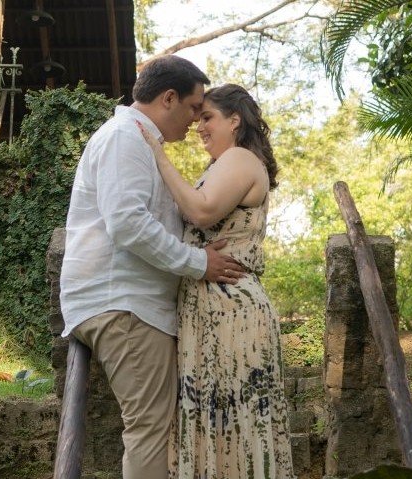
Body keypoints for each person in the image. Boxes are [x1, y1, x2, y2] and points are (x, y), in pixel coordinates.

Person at [59, 55, 245, 479]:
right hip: (125, 305)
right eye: (194, 107)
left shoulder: (138, 141)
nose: (196, 120)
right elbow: (127, 223)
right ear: (168, 98)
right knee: (151, 430)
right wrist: (199, 263)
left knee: (156, 428)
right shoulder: (124, 138)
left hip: (129, 304)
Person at [138, 83, 295, 479]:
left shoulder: (240, 157)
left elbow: (203, 211)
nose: (199, 126)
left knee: (236, 426)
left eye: (207, 117)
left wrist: (158, 153)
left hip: (231, 310)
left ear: (235, 120)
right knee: (215, 422)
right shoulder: (222, 165)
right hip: (207, 308)